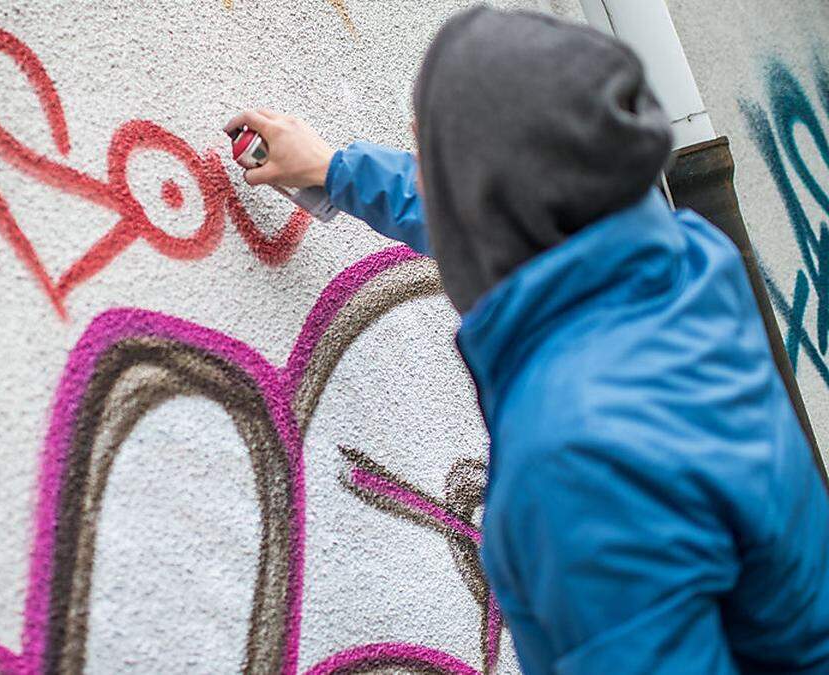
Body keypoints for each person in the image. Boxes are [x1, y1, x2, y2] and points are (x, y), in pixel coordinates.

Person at [225, 6, 829, 673]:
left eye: (431, 156)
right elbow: (508, 218)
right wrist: (337, 169)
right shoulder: (680, 267)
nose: (425, 175)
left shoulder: (577, 458)